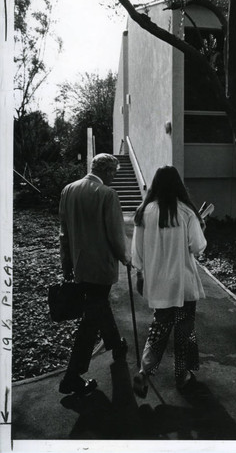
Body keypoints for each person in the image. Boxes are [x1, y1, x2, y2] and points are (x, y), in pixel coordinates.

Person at [131, 165, 207, 398]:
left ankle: (144, 370)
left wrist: (141, 273)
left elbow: (137, 252)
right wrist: (202, 229)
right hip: (183, 283)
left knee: (158, 328)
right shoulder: (186, 212)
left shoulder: (144, 212)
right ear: (178, 185)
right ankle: (181, 375)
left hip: (158, 284)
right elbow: (197, 246)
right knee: (184, 331)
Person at [59, 153, 131, 395]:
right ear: (108, 171)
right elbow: (115, 233)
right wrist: (125, 257)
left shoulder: (68, 190)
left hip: (79, 266)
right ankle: (72, 376)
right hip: (101, 267)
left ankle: (115, 344)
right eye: (114, 174)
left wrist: (66, 263)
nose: (114, 179)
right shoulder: (107, 195)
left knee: (98, 306)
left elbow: (64, 232)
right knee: (90, 321)